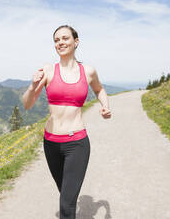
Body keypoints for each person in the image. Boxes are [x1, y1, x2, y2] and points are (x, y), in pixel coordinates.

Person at [22, 25, 111, 219]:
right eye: (56, 40)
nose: (60, 43)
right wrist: (32, 86)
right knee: (65, 193)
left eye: (65, 38)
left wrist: (105, 105)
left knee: (66, 204)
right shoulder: (47, 70)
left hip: (76, 143)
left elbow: (99, 89)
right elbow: (27, 104)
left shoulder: (88, 71)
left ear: (75, 41)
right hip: (51, 143)